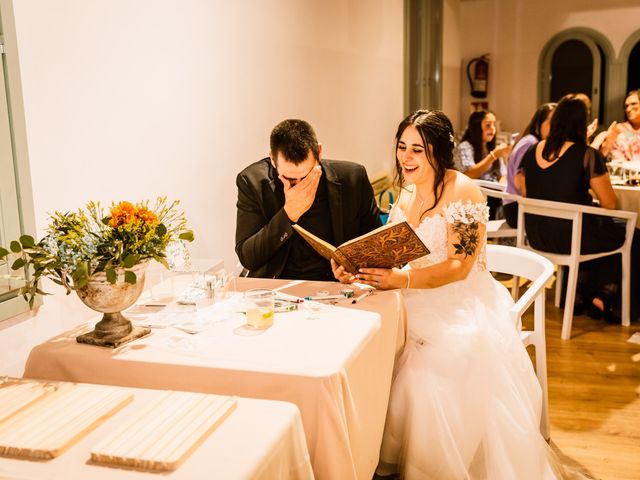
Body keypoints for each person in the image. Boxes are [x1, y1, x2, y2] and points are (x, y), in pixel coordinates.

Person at [333, 110, 562, 479]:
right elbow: (393, 250)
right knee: (360, 350)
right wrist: (355, 268)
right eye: (402, 148)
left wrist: (402, 281)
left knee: (424, 376)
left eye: (417, 151)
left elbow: (460, 266)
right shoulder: (406, 192)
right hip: (405, 298)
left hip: (459, 303)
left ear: (438, 152)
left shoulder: (464, 192)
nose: (405, 158)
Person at [519, 93, 639, 321]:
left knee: (603, 230)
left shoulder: (532, 150)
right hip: (569, 237)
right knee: (632, 235)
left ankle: (581, 296)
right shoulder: (586, 155)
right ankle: (607, 297)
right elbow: (610, 203)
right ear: (581, 124)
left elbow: (527, 192)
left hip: (537, 235)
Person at [235, 118, 381, 280]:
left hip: (335, 286)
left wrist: (352, 271)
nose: (299, 186)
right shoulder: (253, 181)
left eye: (307, 176)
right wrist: (288, 214)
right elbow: (248, 258)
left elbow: (375, 246)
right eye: (289, 179)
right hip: (278, 285)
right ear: (272, 160)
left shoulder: (352, 178)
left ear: (319, 152)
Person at [502, 103, 556, 227]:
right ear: (538, 124)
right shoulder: (531, 144)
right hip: (517, 207)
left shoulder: (533, 141)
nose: (554, 128)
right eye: (550, 123)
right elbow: (520, 181)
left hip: (520, 204)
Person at [455, 110, 511, 219]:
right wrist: (493, 155)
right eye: (488, 125)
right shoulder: (465, 146)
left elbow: (503, 175)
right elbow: (469, 174)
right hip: (476, 197)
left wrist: (502, 186)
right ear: (476, 127)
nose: (493, 128)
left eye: (494, 124)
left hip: (495, 195)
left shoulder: (492, 148)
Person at [594, 89, 640, 162]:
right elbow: (602, 156)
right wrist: (609, 140)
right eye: (626, 106)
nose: (628, 109)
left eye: (633, 104)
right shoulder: (618, 130)